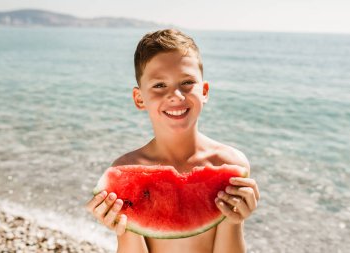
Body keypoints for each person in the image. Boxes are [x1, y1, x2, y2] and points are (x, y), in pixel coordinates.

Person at [86, 29, 260, 253]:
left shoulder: (229, 163)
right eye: (159, 85)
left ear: (204, 91)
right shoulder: (125, 169)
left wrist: (234, 221)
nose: (176, 96)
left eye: (187, 82)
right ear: (139, 98)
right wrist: (125, 229)